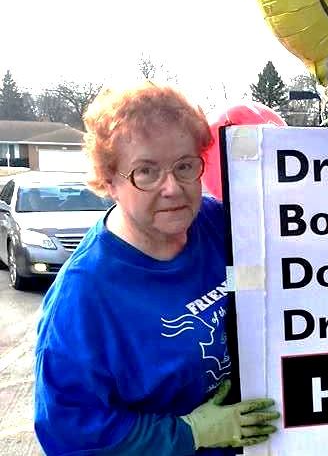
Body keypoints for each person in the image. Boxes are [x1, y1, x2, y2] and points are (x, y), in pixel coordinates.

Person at [35, 83, 280, 455]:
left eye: (184, 166)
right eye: (146, 172)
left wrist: (322, 168)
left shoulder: (217, 225)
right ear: (109, 181)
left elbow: (303, 255)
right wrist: (189, 433)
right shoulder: (83, 298)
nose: (173, 188)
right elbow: (71, 433)